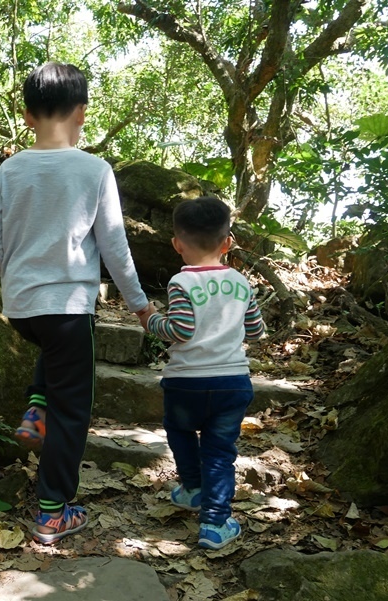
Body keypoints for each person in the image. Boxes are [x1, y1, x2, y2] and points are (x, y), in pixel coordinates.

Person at [0, 62, 155, 545]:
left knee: (51, 355)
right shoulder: (95, 171)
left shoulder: (10, 169)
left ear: (26, 115)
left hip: (23, 308)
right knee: (74, 411)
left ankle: (37, 406)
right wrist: (140, 306)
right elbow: (115, 248)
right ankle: (54, 510)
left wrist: (14, 281)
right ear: (82, 113)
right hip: (68, 307)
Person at [138, 196, 265, 550]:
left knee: (180, 432)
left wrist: (151, 319)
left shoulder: (182, 283)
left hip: (186, 383)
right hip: (231, 383)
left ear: (177, 244)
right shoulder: (241, 283)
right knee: (220, 452)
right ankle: (215, 522)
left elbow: (179, 330)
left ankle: (193, 488)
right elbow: (255, 331)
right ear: (227, 243)